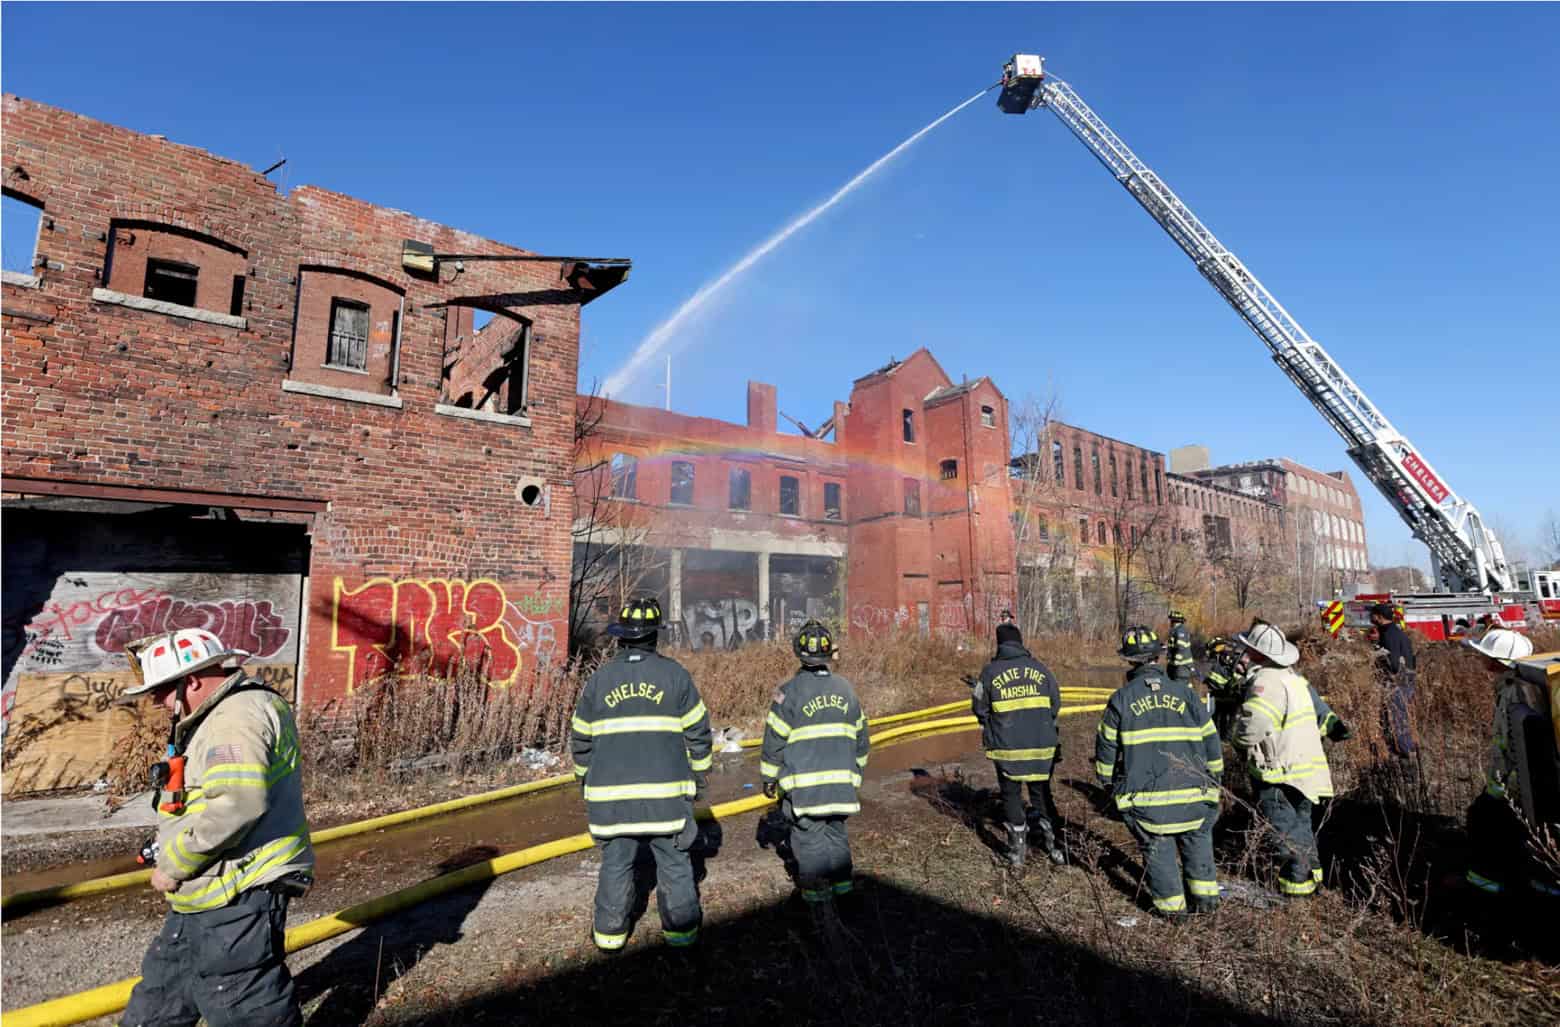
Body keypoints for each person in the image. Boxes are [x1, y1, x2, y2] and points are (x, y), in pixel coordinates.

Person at [120, 628, 314, 1027]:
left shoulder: (236, 717)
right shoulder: (216, 716)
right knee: (162, 994)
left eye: (161, 690)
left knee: (239, 996)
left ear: (191, 681)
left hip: (240, 888)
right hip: (209, 885)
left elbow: (236, 804)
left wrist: (174, 862)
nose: (155, 700)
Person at [571, 596, 712, 951]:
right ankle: (682, 935)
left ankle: (609, 936)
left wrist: (583, 778)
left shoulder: (599, 680)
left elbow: (580, 737)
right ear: (654, 636)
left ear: (622, 636)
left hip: (612, 800)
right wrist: (699, 776)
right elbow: (699, 732)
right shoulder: (676, 676)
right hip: (666, 800)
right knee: (675, 862)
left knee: (617, 863)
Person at [1094, 626, 1223, 917]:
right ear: (1159, 657)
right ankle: (1207, 907)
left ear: (1129, 660)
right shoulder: (1186, 694)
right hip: (1194, 794)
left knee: (1158, 848)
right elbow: (1211, 739)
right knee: (1198, 843)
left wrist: (1108, 783)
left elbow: (1106, 748)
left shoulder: (1121, 699)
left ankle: (1173, 914)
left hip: (1147, 802)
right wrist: (1215, 778)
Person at [761, 620, 870, 904]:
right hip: (842, 787)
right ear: (829, 653)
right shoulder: (846, 689)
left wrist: (769, 779)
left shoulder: (786, 692)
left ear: (798, 652)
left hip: (805, 791)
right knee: (836, 833)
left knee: (809, 840)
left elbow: (773, 741)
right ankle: (844, 893)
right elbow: (862, 738)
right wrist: (856, 774)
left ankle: (817, 904)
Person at [1232, 622, 1334, 899]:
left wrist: (1236, 741)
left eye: (1248, 650)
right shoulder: (1295, 679)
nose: (1244, 654)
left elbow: (1254, 725)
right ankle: (1314, 878)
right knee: (1301, 825)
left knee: (1284, 831)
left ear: (1259, 654)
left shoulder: (1265, 682)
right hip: (1304, 770)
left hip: (1278, 772)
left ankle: (1296, 887)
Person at [1460, 629, 1559, 900]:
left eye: (1485, 655)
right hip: (1519, 783)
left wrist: (1504, 788)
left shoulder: (1515, 693)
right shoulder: (1517, 686)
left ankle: (1487, 885)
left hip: (1513, 784)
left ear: (1497, 661)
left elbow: (1513, 745)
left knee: (1485, 821)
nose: (1481, 659)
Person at [969, 622, 1065, 867]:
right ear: (1021, 643)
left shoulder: (989, 673)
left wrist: (994, 724)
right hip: (1042, 748)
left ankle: (1017, 853)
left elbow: (979, 708)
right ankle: (1055, 847)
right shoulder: (1041, 669)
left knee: (1011, 796)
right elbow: (1055, 704)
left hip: (1007, 750)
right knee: (1041, 794)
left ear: (999, 644)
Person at [1370, 602, 1418, 763]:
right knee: (1398, 716)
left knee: (1398, 717)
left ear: (1379, 617)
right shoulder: (1395, 631)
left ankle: (1406, 751)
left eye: (1373, 615)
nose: (1370, 618)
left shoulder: (1389, 635)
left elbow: (1395, 663)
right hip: (1407, 679)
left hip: (1399, 682)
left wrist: (1389, 676)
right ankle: (1403, 748)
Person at [1202, 635, 1247, 741]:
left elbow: (1234, 676)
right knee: (1223, 719)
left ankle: (1224, 740)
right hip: (1225, 694)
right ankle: (1222, 740)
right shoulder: (1227, 656)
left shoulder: (1227, 657)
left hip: (1230, 694)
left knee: (1225, 720)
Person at [1166, 610, 1195, 681]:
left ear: (1174, 621)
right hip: (1177, 666)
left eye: (1171, 620)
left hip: (1182, 666)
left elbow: (1181, 647)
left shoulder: (1180, 630)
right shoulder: (1176, 630)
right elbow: (1174, 646)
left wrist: (1176, 662)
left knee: (1180, 685)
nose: (1170, 622)